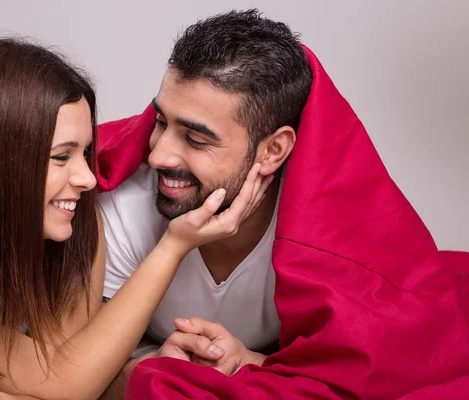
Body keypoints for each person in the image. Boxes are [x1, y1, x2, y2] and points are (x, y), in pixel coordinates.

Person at [93, 9, 469, 400]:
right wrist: (147, 365)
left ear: (273, 150)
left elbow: (376, 358)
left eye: (196, 139)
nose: (158, 156)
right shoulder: (124, 206)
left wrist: (254, 363)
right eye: (160, 122)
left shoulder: (322, 230)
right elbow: (81, 366)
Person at [0, 38, 266, 400]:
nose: (89, 178)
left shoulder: (78, 232)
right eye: (61, 157)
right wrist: (173, 246)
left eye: (86, 153)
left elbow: (74, 374)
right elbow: (66, 385)